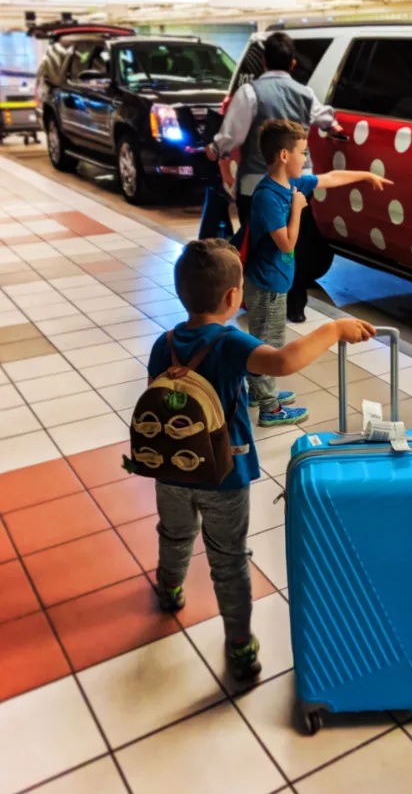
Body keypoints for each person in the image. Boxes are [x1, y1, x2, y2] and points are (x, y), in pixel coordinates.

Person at [148, 237, 376, 682]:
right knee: (228, 558)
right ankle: (239, 645)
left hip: (171, 468)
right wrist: (333, 329)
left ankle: (170, 587)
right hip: (224, 476)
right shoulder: (229, 342)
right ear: (234, 297)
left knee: (174, 533)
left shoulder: (165, 342)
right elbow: (283, 362)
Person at [244, 118, 392, 428]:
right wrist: (298, 208)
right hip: (267, 283)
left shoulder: (291, 184)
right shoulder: (269, 196)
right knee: (268, 345)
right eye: (302, 152)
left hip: (275, 281)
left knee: (266, 340)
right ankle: (269, 408)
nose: (305, 158)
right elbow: (286, 244)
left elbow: (330, 177)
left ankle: (258, 393)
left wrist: (365, 175)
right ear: (284, 156)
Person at [203, 31, 341, 321]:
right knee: (295, 245)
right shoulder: (305, 93)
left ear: (263, 61)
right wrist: (335, 128)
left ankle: (259, 304)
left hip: (257, 185)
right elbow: (326, 119)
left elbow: (232, 136)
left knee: (257, 246)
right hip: (298, 185)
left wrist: (215, 149)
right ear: (292, 63)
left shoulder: (250, 92)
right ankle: (295, 307)